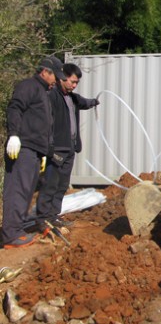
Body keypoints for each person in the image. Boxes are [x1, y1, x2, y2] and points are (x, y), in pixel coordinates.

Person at [2, 56, 65, 249]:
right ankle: (11, 234)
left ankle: (16, 229)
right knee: (18, 190)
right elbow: (15, 108)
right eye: (55, 76)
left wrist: (44, 152)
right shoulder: (28, 86)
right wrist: (13, 135)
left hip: (36, 150)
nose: (56, 80)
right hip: (24, 147)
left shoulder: (44, 92)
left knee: (28, 191)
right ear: (45, 71)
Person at [35, 63, 99, 230]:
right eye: (72, 81)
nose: (74, 85)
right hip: (56, 149)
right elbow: (45, 124)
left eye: (76, 82)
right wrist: (49, 148)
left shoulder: (72, 98)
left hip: (70, 148)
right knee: (50, 184)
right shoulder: (51, 96)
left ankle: (53, 216)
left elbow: (84, 102)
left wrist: (94, 102)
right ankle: (42, 219)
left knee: (62, 185)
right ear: (62, 78)